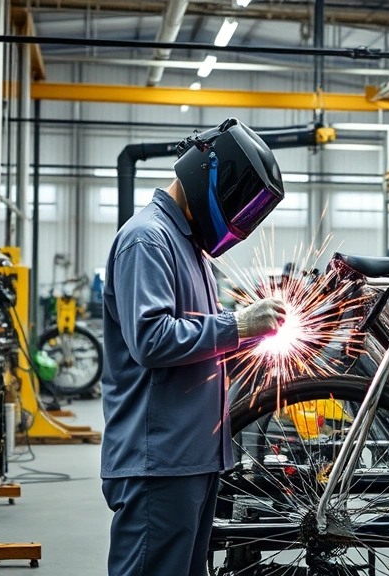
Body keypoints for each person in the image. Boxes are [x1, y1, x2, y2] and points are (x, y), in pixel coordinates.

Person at [101, 118, 288, 576]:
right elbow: (151, 340)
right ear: (212, 177)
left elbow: (200, 339)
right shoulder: (147, 239)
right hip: (158, 461)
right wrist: (239, 325)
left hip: (193, 458)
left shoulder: (190, 248)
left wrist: (248, 344)